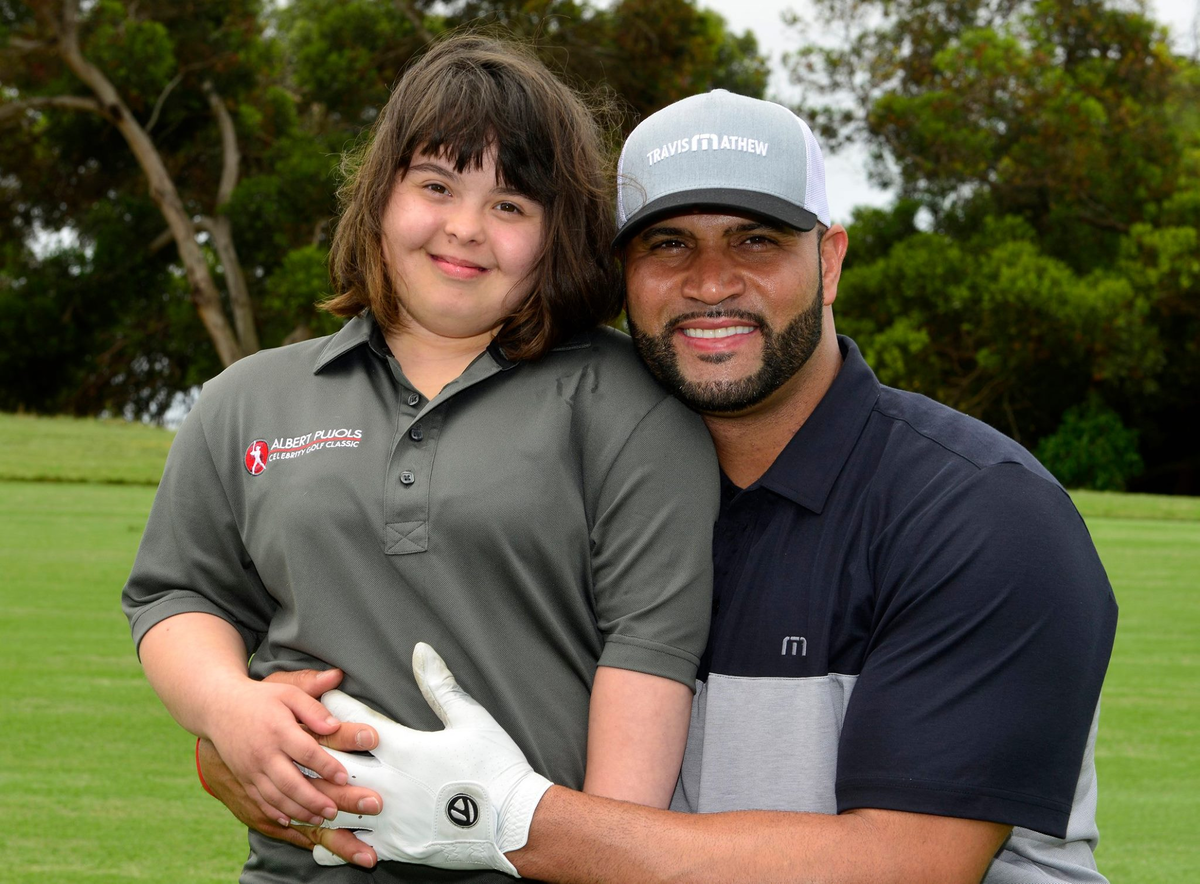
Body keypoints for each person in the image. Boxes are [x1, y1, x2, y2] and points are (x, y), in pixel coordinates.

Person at [288, 89, 1119, 883]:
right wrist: (245, 748)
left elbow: (910, 866)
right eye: (668, 245)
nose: (711, 283)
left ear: (829, 260)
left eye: (756, 240)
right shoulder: (563, 493)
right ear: (622, 273)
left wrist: (506, 821)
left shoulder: (983, 515)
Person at [121, 35, 721, 883]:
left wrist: (599, 859)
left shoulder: (633, 403)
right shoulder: (246, 400)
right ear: (380, 196)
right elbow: (179, 594)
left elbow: (649, 651)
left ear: (558, 233)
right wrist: (228, 708)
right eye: (436, 186)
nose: (465, 228)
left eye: (510, 204)